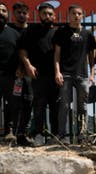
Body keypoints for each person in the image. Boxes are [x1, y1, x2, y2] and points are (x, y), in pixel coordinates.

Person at [53, 4, 96, 144]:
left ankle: (82, 135)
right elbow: (57, 54)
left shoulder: (88, 33)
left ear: (82, 16)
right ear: (68, 15)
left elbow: (91, 56)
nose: (76, 16)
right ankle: (62, 136)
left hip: (82, 75)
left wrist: (92, 74)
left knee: (83, 106)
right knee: (64, 105)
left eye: (79, 13)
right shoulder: (61, 31)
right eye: (73, 13)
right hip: (65, 74)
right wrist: (57, 72)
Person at [18, 2, 58, 146]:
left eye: (49, 14)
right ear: (39, 15)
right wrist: (28, 65)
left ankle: (55, 136)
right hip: (38, 75)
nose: (47, 16)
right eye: (44, 14)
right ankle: (39, 134)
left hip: (55, 75)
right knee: (39, 105)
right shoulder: (31, 31)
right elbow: (22, 50)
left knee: (55, 106)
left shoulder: (58, 32)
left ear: (54, 16)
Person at [8, 1, 31, 146]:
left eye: (24, 13)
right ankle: (10, 132)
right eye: (19, 12)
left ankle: (23, 133)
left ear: (28, 15)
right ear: (13, 14)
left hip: (29, 73)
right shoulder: (8, 29)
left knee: (28, 102)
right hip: (12, 73)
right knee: (13, 103)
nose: (22, 15)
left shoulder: (32, 31)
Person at [0, 1, 19, 141]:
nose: (0, 13)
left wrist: (20, 69)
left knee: (10, 104)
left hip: (10, 75)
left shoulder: (15, 34)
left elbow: (21, 54)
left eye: (3, 11)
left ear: (8, 14)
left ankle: (9, 131)